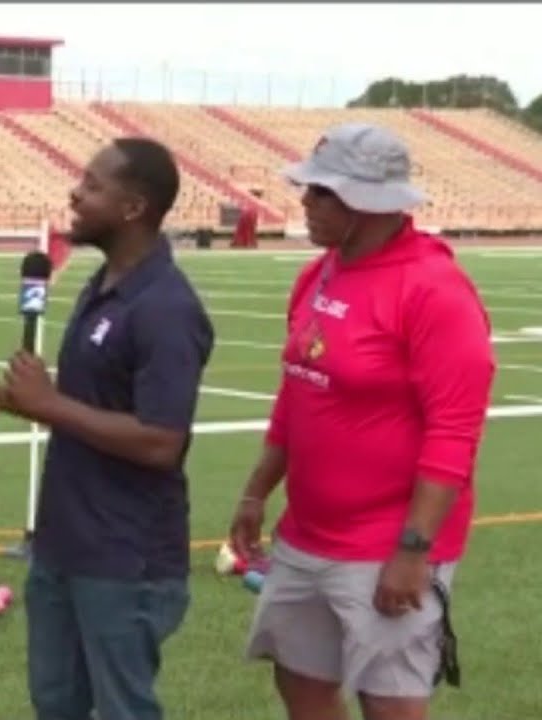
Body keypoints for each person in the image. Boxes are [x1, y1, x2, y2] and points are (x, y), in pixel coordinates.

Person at [0, 138, 214, 720]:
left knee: (122, 709)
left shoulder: (166, 307)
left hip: (124, 554)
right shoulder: (105, 285)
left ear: (134, 207)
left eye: (92, 185)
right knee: (57, 703)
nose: (74, 193)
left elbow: (162, 442)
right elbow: (81, 404)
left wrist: (48, 406)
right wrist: (4, 398)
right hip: (66, 543)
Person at [229, 123, 495, 720]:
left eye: (322, 192)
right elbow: (296, 395)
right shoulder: (319, 273)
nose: (305, 201)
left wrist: (413, 550)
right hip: (306, 534)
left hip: (386, 544)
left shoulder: (434, 290)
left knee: (391, 702)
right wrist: (256, 492)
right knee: (300, 684)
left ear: (367, 202)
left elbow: (454, 433)